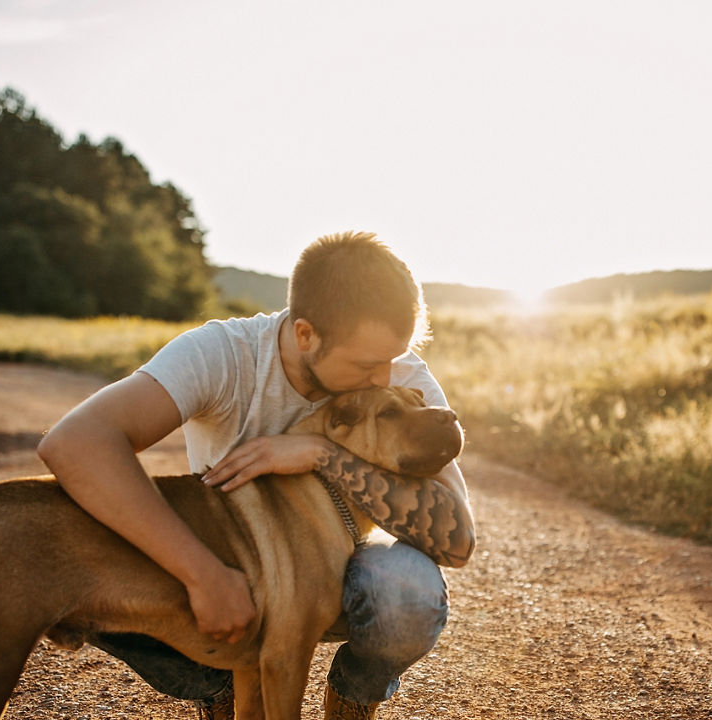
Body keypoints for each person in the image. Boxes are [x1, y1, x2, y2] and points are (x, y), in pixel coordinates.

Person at [37, 231, 476, 720]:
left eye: (393, 360)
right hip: (227, 579)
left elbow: (457, 541)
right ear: (306, 334)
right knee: (89, 553)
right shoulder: (226, 355)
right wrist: (202, 575)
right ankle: (216, 685)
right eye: (368, 364)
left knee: (406, 592)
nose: (384, 379)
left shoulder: (397, 377)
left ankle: (352, 701)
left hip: (342, 571)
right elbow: (74, 443)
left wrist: (319, 453)